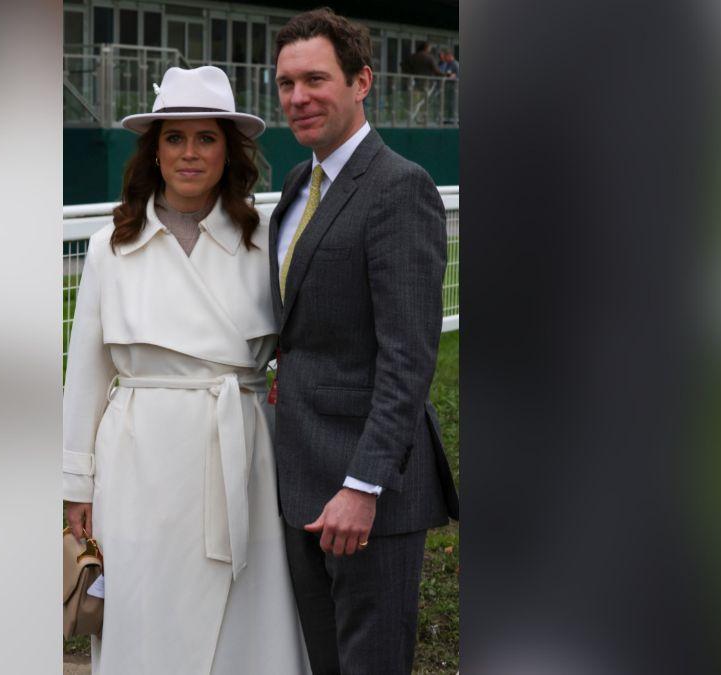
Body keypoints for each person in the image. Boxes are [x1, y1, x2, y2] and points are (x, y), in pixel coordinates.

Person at [62, 65, 309, 675]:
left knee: (244, 616)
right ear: (155, 150)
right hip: (139, 461)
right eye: (175, 137)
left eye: (206, 138)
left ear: (229, 151)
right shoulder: (111, 245)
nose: (190, 153)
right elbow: (86, 371)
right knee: (146, 606)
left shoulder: (264, 240)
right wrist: (75, 484)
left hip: (240, 454)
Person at [268, 9, 460, 675]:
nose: (298, 97)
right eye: (286, 83)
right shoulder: (297, 185)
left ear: (362, 82)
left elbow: (409, 357)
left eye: (315, 79)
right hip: (300, 480)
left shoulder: (399, 187)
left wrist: (362, 484)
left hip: (367, 493)